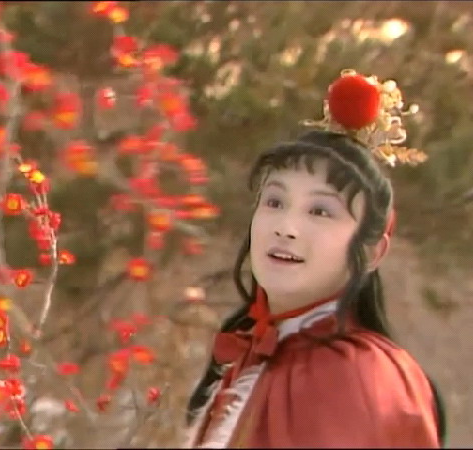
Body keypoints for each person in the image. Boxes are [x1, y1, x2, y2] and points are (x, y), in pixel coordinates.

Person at [183, 73, 447, 448]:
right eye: (275, 202)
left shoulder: (358, 376)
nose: (286, 228)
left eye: (320, 211)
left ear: (373, 252)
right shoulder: (253, 354)